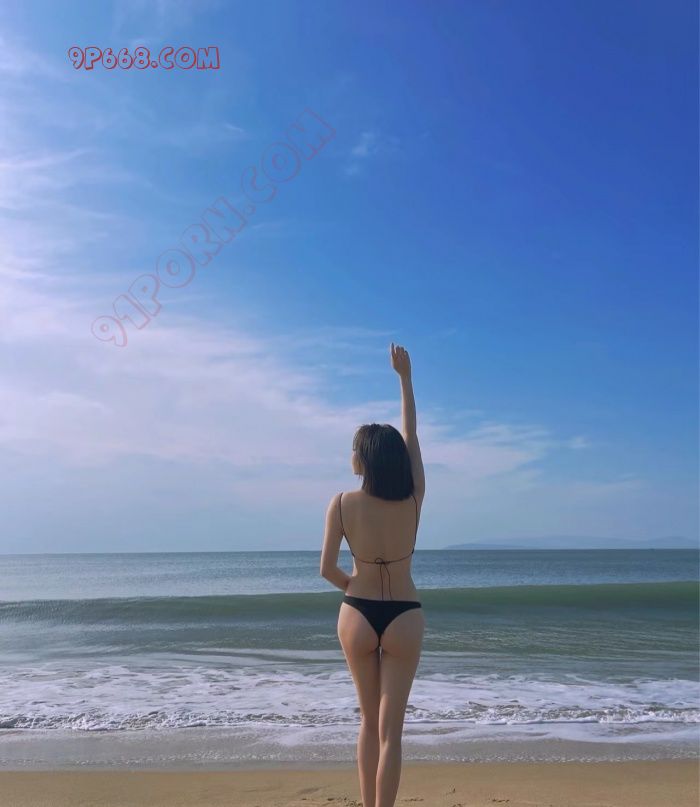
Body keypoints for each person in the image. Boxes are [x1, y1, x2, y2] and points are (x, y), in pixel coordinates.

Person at [320, 341, 426, 807]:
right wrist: (405, 380)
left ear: (363, 459)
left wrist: (356, 588)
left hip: (357, 613)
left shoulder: (342, 503)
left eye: (353, 450)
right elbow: (412, 436)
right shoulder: (413, 499)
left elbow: (326, 570)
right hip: (404, 615)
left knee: (367, 722)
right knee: (391, 733)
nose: (350, 455)